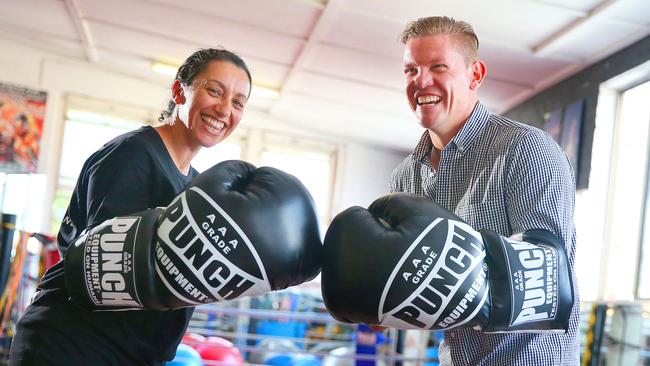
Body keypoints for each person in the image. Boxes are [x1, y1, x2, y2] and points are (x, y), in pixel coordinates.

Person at [10, 47, 253, 365]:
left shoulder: (196, 187)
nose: (224, 110)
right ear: (179, 91)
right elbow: (101, 264)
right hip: (75, 346)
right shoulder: (133, 155)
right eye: (214, 91)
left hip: (132, 353)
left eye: (238, 102)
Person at [389, 17, 579, 365]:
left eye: (438, 67)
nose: (421, 81)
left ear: (475, 75)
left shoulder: (525, 149)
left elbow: (546, 285)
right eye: (410, 70)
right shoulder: (404, 179)